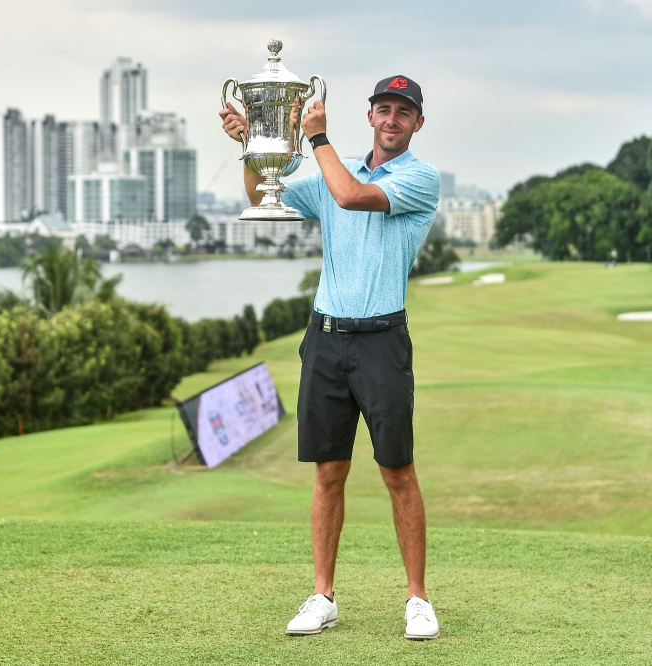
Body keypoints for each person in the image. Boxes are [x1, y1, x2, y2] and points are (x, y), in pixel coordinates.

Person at [219, 75, 441, 640]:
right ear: (370, 116)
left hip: (382, 341)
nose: (392, 120)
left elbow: (350, 196)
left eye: (403, 113)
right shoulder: (331, 165)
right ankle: (322, 595)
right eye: (383, 109)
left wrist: (316, 141)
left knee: (398, 471)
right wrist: (253, 150)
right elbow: (259, 195)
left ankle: (417, 599)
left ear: (417, 123)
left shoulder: (419, 178)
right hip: (326, 338)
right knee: (328, 471)